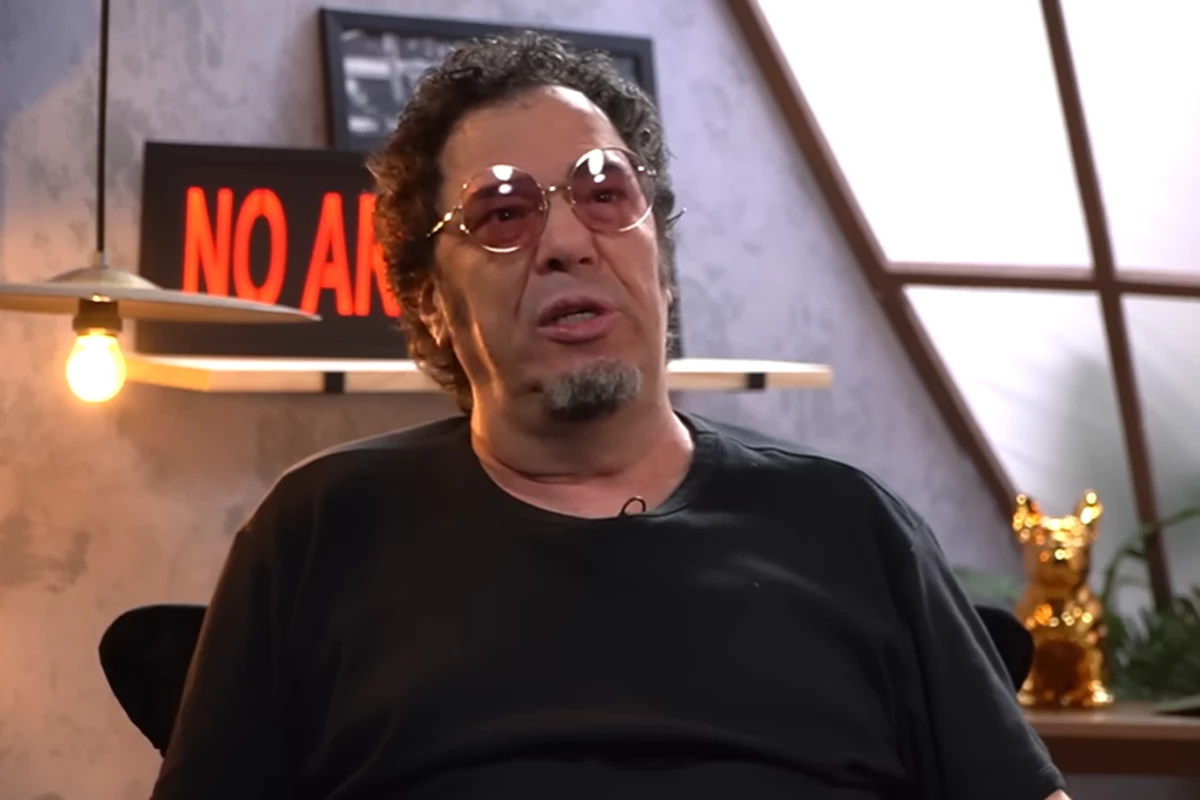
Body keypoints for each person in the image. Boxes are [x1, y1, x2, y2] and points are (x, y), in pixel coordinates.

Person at [149, 32, 1070, 800]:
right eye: (502, 212)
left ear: (659, 262)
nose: (565, 241)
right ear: (429, 303)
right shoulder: (320, 533)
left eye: (604, 194)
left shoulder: (851, 527)